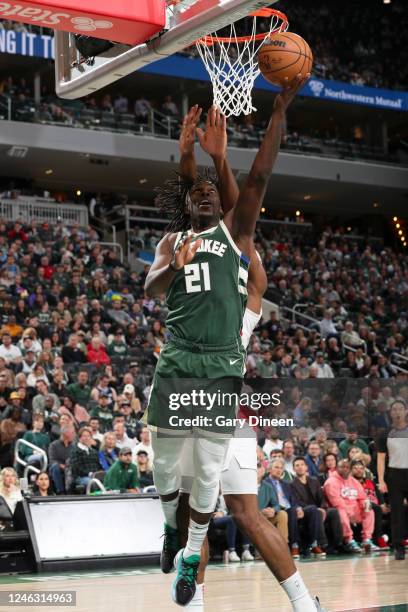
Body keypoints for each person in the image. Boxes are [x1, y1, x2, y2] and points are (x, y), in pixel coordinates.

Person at [171, 94, 321, 612]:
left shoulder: (226, 256)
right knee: (248, 515)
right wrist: (203, 158)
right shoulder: (243, 274)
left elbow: (244, 190)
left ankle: (195, 606)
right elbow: (221, 200)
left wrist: (205, 157)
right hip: (226, 410)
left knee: (194, 516)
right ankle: (305, 603)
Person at [324, 459, 378, 554]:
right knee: (341, 511)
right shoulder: (331, 482)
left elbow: (363, 497)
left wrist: (366, 507)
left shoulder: (353, 480)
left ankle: (367, 540)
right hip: (342, 510)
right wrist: (350, 513)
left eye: (347, 467)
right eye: (342, 467)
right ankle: (349, 540)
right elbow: (336, 502)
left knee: (369, 508)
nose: (345, 469)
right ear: (337, 468)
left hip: (355, 509)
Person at [377, 399, 408, 560]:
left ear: (406, 411)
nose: (397, 412)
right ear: (391, 413)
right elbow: (381, 459)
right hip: (394, 476)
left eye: (400, 409)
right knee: (397, 513)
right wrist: (381, 480)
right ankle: (398, 547)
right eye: (394, 409)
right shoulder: (385, 433)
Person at [292, 457, 343, 555]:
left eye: (302, 465)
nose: (300, 467)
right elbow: (297, 501)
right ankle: (321, 543)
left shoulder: (314, 481)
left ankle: (339, 543)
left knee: (333, 511)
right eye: (297, 465)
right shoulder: (291, 484)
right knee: (315, 511)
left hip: (318, 509)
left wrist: (323, 507)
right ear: (293, 469)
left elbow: (322, 498)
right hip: (305, 511)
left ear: (306, 467)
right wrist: (317, 509)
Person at [211, 494, 254, 562]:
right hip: (211, 519)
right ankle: (232, 551)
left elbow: (225, 509)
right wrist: (213, 514)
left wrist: (222, 513)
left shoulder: (223, 496)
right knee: (231, 519)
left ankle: (246, 550)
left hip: (224, 517)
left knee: (244, 518)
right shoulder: (209, 494)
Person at [48, 425, 76, 494]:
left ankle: (72, 490)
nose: (74, 435)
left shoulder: (74, 445)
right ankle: (60, 491)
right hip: (57, 466)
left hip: (70, 466)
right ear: (65, 434)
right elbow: (52, 460)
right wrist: (61, 465)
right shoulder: (53, 445)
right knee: (55, 467)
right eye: (72, 433)